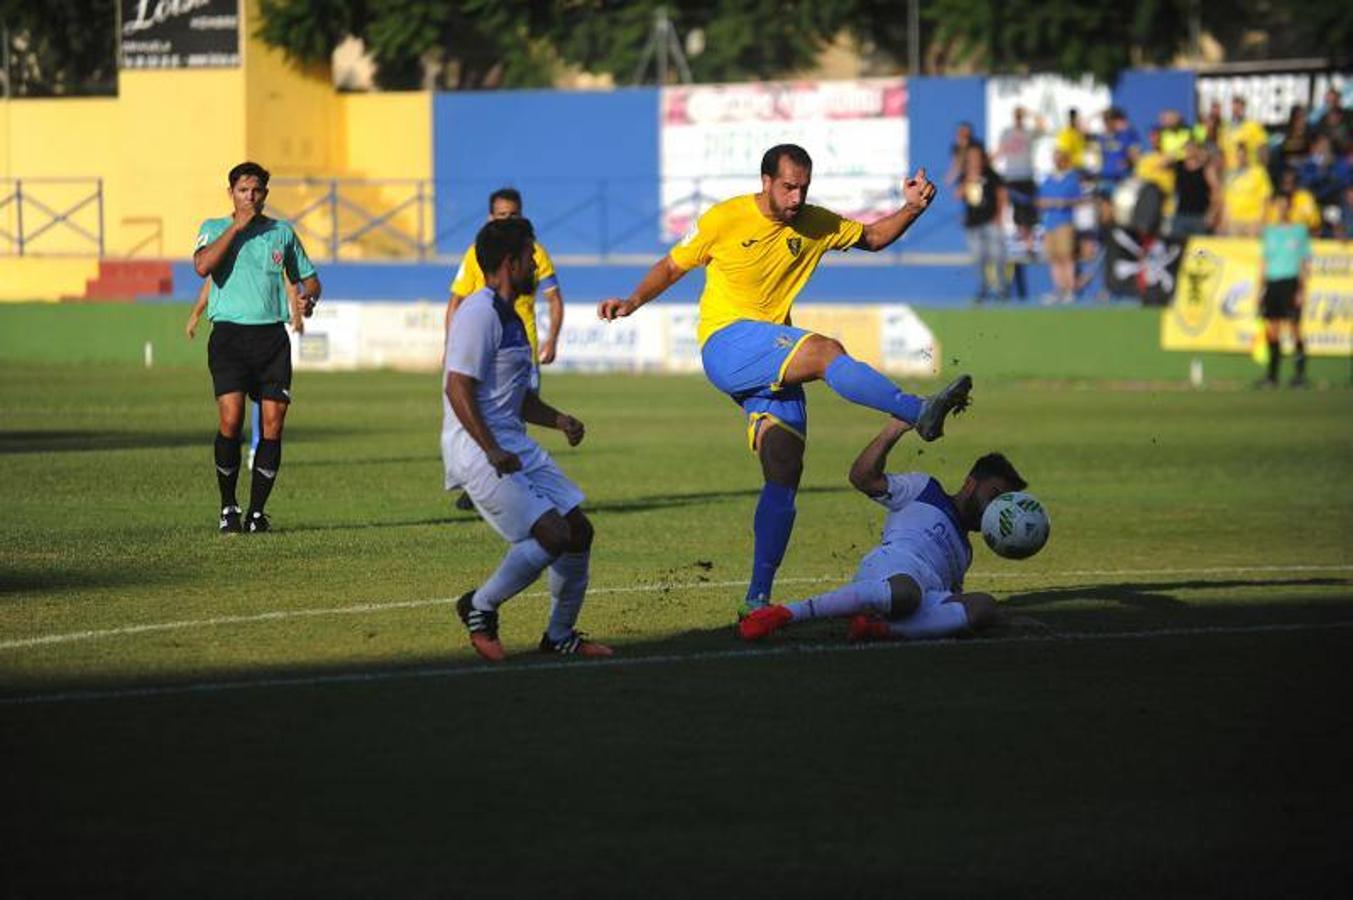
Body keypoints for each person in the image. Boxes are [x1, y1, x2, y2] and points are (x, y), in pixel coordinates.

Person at [596, 144, 972, 619]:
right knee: (825, 351)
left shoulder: (814, 222)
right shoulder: (724, 219)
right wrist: (631, 302)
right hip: (728, 343)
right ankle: (918, 410)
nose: (796, 198)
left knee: (784, 473)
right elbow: (673, 266)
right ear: (766, 181)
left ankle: (755, 599)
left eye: (804, 188)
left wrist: (913, 208)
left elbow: (874, 238)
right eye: (789, 187)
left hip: (770, 361)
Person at [444, 216, 610, 661]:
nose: (536, 267)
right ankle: (480, 607)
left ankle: (559, 636)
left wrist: (560, 420)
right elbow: (456, 386)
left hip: (510, 441)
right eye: (529, 259)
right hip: (477, 446)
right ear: (507, 263)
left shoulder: (513, 317)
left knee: (578, 531)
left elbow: (518, 399)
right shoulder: (477, 313)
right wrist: (491, 448)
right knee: (552, 533)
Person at [739, 417, 1027, 644]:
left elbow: (953, 608)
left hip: (924, 594)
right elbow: (862, 477)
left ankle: (880, 629)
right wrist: (894, 429)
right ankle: (786, 613)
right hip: (892, 570)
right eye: (995, 495)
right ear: (971, 484)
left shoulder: (965, 552)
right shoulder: (925, 489)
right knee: (906, 594)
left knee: (984, 605)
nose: (996, 509)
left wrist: (1004, 620)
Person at [193, 161, 320, 534]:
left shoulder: (281, 233)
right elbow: (202, 266)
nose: (250, 197)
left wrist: (307, 298)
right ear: (230, 192)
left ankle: (257, 513)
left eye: (257, 191)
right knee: (230, 421)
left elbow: (310, 280)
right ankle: (228, 506)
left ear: (266, 193)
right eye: (243, 190)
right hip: (230, 337)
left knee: (272, 426)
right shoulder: (213, 228)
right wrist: (237, 227)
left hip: (271, 340)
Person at [445, 188, 565, 512]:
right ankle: (489, 479)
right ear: (490, 218)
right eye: (502, 215)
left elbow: (554, 297)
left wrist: (552, 338)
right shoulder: (477, 256)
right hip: (489, 349)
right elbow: (456, 299)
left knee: (516, 419)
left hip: (523, 350)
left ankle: (503, 483)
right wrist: (450, 344)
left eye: (514, 215)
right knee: (489, 411)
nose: (508, 220)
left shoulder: (536, 251)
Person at [187, 275, 305, 470]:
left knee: (266, 400)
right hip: (233, 340)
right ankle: (239, 441)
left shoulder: (270, 246)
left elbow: (289, 280)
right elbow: (212, 279)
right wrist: (195, 314)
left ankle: (255, 447)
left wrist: (297, 315)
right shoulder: (228, 249)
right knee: (233, 410)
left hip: (264, 337)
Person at [1256, 193, 1312, 388]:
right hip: (1272, 283)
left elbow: (1304, 263)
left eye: (1284, 206)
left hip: (1291, 282)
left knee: (1295, 329)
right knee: (1272, 331)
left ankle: (1299, 376)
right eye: (1277, 206)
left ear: (1290, 208)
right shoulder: (1270, 232)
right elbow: (1264, 262)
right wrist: (1260, 289)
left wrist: (1302, 290)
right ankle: (1272, 377)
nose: (1280, 210)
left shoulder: (1299, 232)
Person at [960, 144, 1008, 302]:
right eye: (971, 157)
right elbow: (958, 194)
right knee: (978, 258)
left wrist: (1000, 216)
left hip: (991, 220)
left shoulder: (991, 174)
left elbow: (1001, 195)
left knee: (998, 255)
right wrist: (969, 179)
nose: (974, 160)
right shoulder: (966, 175)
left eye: (977, 157)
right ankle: (983, 288)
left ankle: (1001, 289)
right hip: (973, 223)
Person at [994, 106, 1041, 256]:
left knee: (1030, 213)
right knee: (1018, 213)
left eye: (1020, 116)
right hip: (1012, 177)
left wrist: (1029, 112)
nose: (1019, 118)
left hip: (1027, 176)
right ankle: (1024, 244)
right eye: (1017, 116)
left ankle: (1030, 245)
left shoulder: (1028, 133)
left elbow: (1042, 125)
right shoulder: (1007, 133)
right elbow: (999, 151)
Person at [1038, 149, 1081, 304]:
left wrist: (1062, 203)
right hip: (1049, 223)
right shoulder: (1048, 179)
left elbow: (1078, 200)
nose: (1057, 162)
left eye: (1060, 159)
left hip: (1064, 222)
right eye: (1055, 159)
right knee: (1054, 258)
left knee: (1066, 256)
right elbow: (1040, 199)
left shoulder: (1071, 179)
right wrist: (1043, 203)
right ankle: (1058, 290)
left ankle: (1069, 290)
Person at [1172, 139, 1221, 238]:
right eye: (1187, 148)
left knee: (1199, 251)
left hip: (1199, 216)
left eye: (1192, 148)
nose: (1189, 151)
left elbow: (1216, 191)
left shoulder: (1206, 169)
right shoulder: (1179, 165)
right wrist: (1177, 151)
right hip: (1181, 215)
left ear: (1197, 150)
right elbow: (1161, 164)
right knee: (1177, 246)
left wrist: (1211, 213)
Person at [1221, 144, 1273, 237]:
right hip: (1234, 220)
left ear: (1248, 156)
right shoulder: (1230, 174)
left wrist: (1263, 220)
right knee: (1234, 250)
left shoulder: (1259, 172)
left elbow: (1266, 197)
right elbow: (1227, 200)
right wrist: (1225, 220)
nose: (1241, 158)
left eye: (1243, 155)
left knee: (1252, 250)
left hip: (1253, 220)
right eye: (1239, 156)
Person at [1220, 96, 1268, 175]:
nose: (1236, 110)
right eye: (1234, 107)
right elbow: (1221, 152)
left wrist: (1262, 170)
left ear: (1244, 108)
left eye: (1239, 107)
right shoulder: (1224, 129)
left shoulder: (1254, 126)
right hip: (1229, 173)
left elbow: (1263, 149)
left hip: (1250, 171)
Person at [1055, 108, 1088, 172]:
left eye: (1075, 118)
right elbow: (1063, 154)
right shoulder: (1064, 133)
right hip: (1070, 168)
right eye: (1072, 118)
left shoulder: (1079, 133)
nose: (1074, 120)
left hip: (1080, 167)